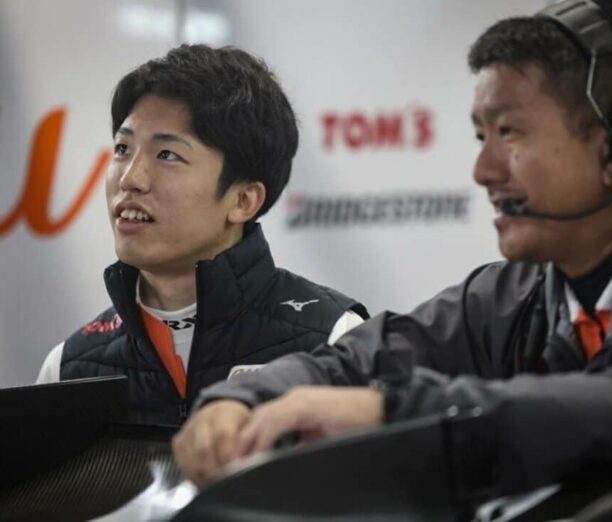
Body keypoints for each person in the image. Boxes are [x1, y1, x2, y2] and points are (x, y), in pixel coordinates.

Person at [173, 0, 612, 497]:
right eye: (482, 137)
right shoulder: (513, 296)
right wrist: (243, 398)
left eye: (510, 132)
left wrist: (390, 413)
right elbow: (364, 360)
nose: (483, 171)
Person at [35, 44, 368, 426]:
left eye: (167, 155)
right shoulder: (67, 367)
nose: (130, 178)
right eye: (123, 148)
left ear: (243, 200)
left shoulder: (334, 341)